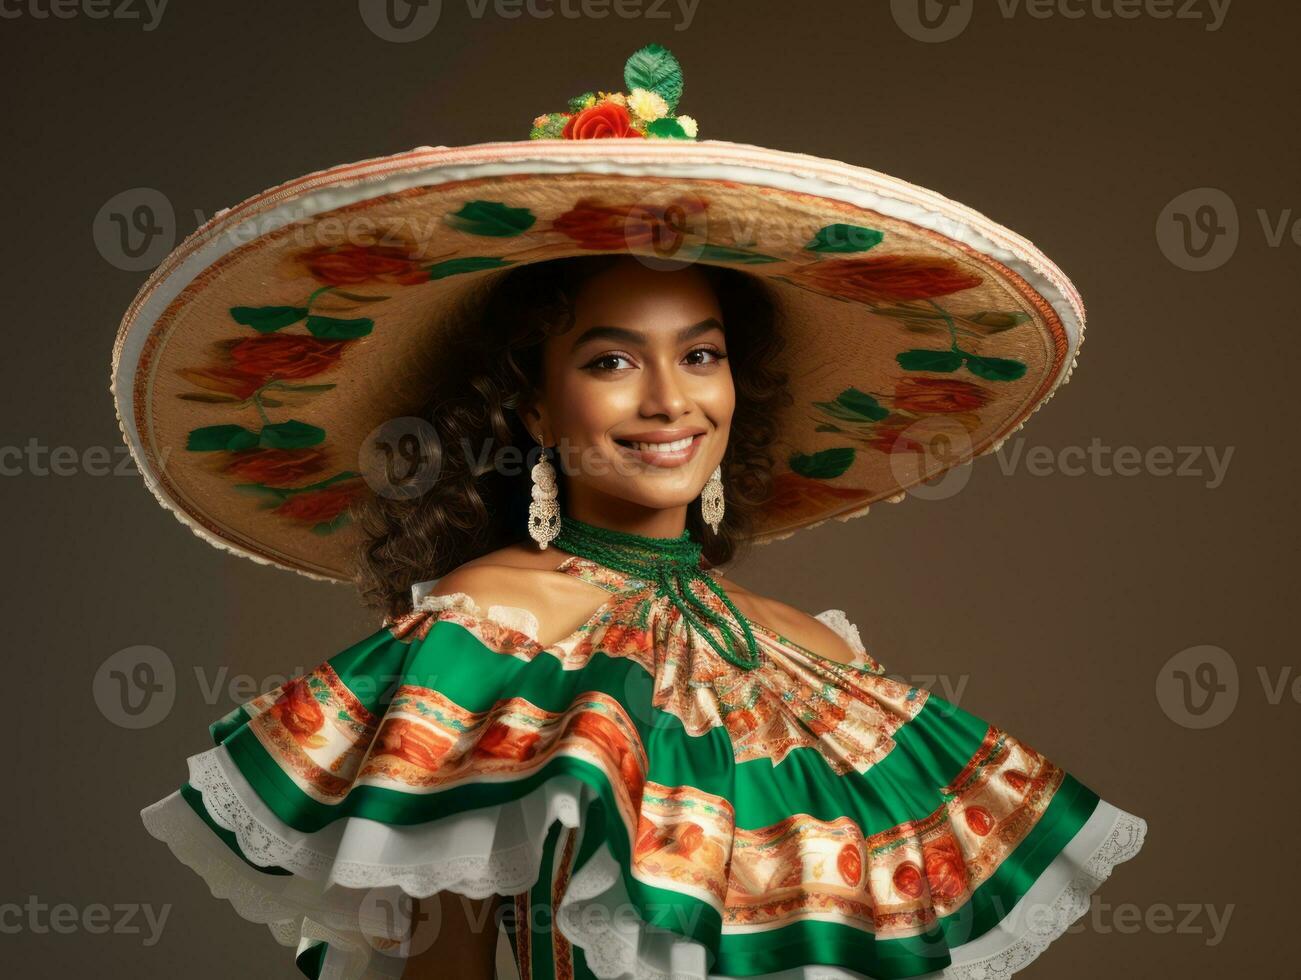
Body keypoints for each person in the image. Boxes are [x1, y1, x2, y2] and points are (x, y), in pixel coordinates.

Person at [119, 42, 1147, 980]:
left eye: (699, 353)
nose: (668, 400)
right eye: (610, 359)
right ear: (530, 400)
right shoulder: (481, 632)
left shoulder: (825, 662)